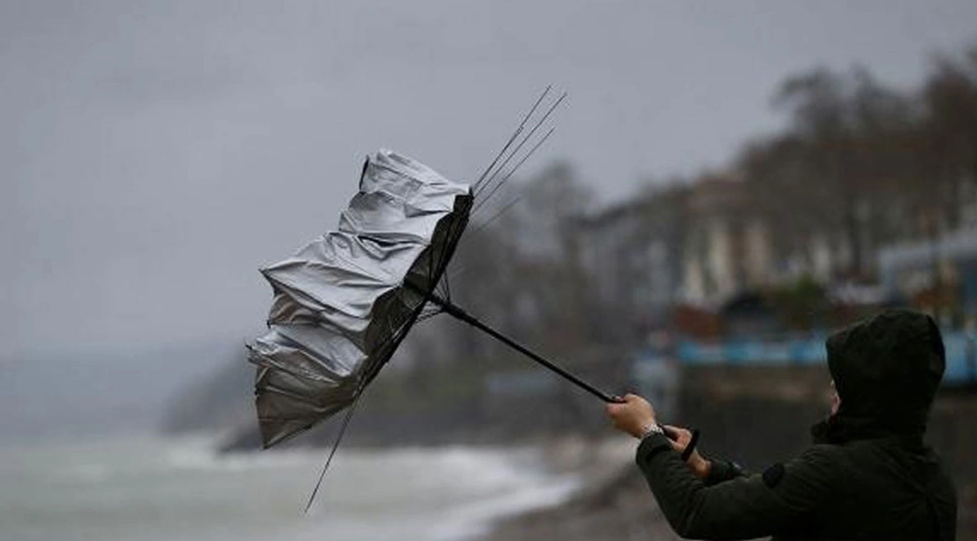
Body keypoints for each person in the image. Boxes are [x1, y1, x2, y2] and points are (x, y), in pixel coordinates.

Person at [606, 309, 957, 540]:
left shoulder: (833, 470)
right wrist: (708, 470)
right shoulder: (933, 478)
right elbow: (798, 502)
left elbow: (697, 513)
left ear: (872, 391)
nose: (833, 387)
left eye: (845, 380)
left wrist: (648, 432)